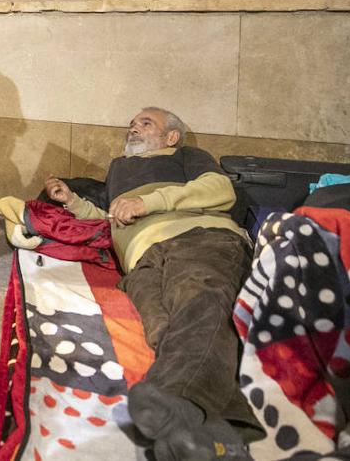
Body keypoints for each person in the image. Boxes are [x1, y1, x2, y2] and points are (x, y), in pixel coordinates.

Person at [34, 108, 260, 460]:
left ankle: (178, 405)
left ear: (171, 137)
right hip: (141, 260)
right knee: (165, 329)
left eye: (145, 123)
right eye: (132, 124)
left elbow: (220, 190)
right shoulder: (119, 168)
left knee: (201, 303)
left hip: (198, 238)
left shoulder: (188, 156)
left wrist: (148, 202)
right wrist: (73, 202)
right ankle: (220, 438)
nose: (133, 129)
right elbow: (111, 218)